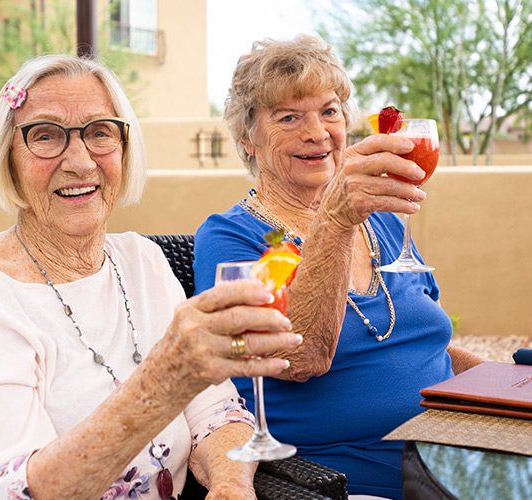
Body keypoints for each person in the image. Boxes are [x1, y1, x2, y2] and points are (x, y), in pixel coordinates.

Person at [0, 54, 304, 500]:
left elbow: (217, 414)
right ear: (8, 157)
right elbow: (1, 493)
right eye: (46, 136)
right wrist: (165, 380)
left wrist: (229, 486)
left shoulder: (142, 261)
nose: (80, 161)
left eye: (99, 132)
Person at [193, 34, 485, 500]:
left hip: (458, 452)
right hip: (356, 476)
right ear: (248, 138)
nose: (318, 133)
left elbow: (431, 345)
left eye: (329, 111)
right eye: (289, 117)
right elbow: (302, 359)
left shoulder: (384, 220)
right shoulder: (233, 238)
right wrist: (335, 218)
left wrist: (512, 389)